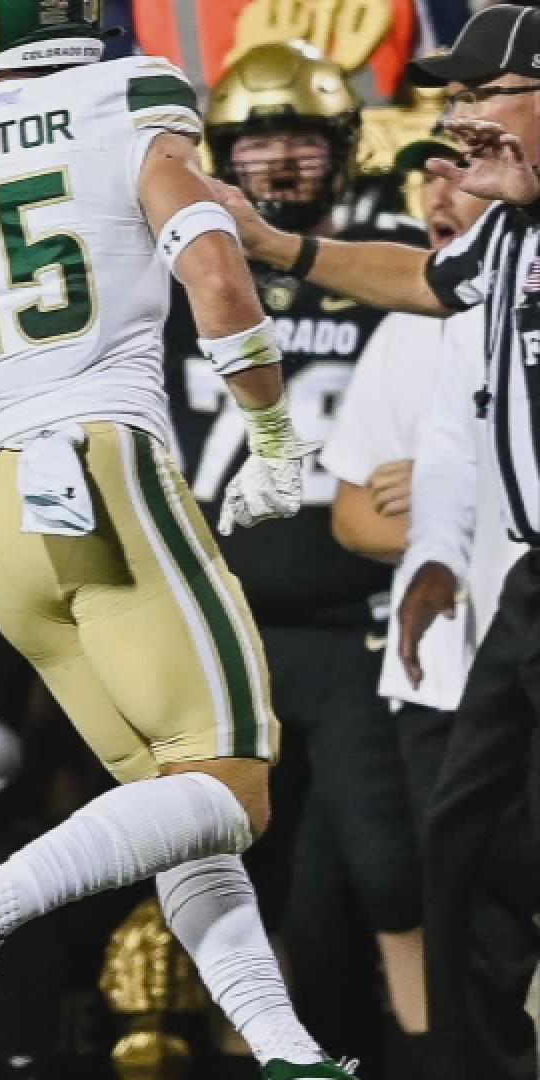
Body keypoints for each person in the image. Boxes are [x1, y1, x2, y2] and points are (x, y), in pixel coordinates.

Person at [0, 0, 354, 1076]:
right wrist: (270, 436)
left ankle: (284, 1050)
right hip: (105, 472)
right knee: (234, 785)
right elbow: (219, 279)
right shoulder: (123, 99)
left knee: (176, 803)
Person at [210, 7, 540, 1073]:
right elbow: (415, 281)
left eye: (484, 99)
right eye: (454, 103)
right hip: (522, 590)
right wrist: (273, 246)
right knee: (459, 843)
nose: (463, 123)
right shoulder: (504, 235)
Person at [161, 41, 429, 1069]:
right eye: (256, 141)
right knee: (246, 869)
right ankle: (260, 1051)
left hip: (361, 617)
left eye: (301, 142)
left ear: (347, 146)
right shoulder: (177, 267)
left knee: (386, 865)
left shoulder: (395, 256)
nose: (278, 164)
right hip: (229, 622)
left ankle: (435, 1053)